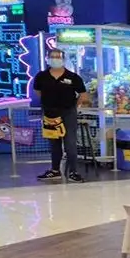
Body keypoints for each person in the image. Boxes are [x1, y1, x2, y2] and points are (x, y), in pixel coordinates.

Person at [33, 48, 88, 183]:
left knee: (70, 143)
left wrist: (74, 106)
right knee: (54, 143)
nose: (55, 59)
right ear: (47, 58)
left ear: (63, 59)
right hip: (50, 114)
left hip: (68, 112)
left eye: (58, 57)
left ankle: (73, 172)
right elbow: (38, 91)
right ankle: (55, 170)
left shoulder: (73, 77)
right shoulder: (41, 76)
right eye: (52, 56)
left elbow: (83, 95)